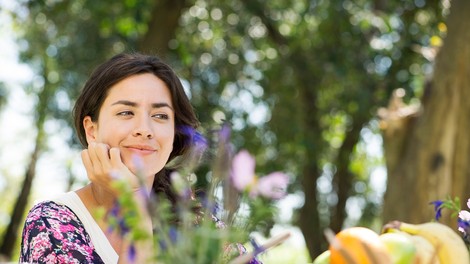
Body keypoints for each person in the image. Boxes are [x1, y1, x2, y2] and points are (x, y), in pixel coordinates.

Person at [19, 52, 261, 263]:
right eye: (126, 112)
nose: (145, 129)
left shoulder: (199, 225)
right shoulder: (51, 223)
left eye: (160, 116)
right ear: (91, 129)